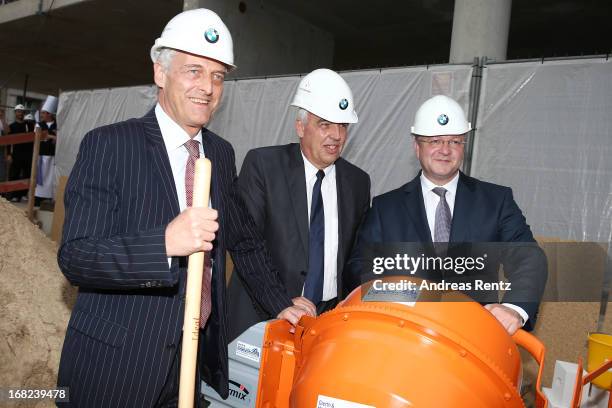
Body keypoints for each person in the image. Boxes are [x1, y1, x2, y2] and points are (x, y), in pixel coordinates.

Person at [56, 9, 314, 407]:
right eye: (194, 70)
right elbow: (77, 256)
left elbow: (245, 242)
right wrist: (162, 243)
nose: (208, 88)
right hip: (117, 365)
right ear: (161, 73)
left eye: (217, 76)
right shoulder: (109, 145)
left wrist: (281, 301)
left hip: (189, 365)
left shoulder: (221, 155)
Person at [348, 95, 547, 335]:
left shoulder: (496, 201)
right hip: (404, 337)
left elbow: (529, 257)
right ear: (416, 146)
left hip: (475, 340)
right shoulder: (385, 208)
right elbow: (360, 269)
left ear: (464, 147)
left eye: (455, 141)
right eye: (435, 141)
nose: (445, 150)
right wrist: (409, 295)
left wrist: (514, 309)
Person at [227, 69, 371, 340]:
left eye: (342, 126)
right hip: (264, 319)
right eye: (325, 124)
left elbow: (355, 258)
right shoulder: (263, 167)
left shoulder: (358, 183)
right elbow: (246, 246)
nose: (336, 136)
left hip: (326, 324)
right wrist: (281, 301)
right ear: (300, 127)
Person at [7, 104, 34, 201]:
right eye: (18, 111)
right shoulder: (11, 126)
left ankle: (22, 194)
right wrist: (8, 154)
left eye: (22, 112)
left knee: (27, 174)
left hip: (28, 154)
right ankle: (12, 195)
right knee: (14, 174)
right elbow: (8, 142)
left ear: (24, 113)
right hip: (16, 154)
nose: (20, 113)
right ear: (15, 113)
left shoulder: (29, 125)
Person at [35, 95, 58, 205]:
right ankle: (38, 198)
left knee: (50, 178)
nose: (42, 115)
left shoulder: (57, 125)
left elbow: (60, 138)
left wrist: (51, 137)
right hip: (41, 155)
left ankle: (49, 198)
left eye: (44, 113)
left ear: (49, 114)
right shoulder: (39, 124)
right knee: (41, 178)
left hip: (53, 156)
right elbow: (36, 137)